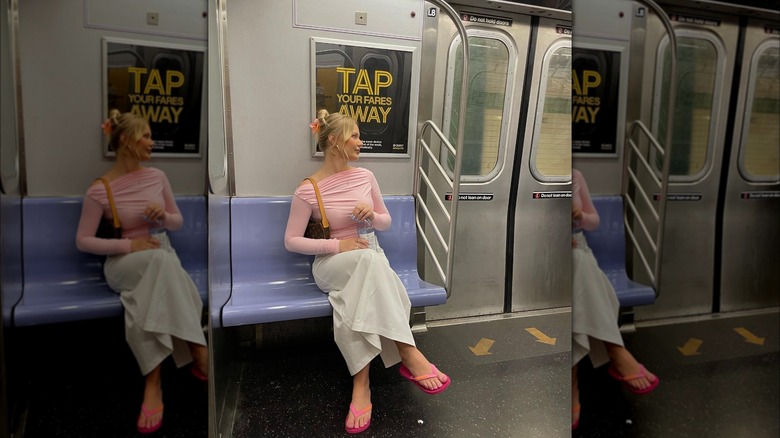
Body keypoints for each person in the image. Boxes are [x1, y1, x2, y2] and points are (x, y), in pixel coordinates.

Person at [284, 110, 451, 434]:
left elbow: (386, 221)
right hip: (332, 262)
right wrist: (337, 247)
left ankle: (361, 385)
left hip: (369, 255)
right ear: (333, 140)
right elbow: (291, 240)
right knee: (370, 263)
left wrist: (372, 216)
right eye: (355, 136)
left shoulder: (365, 177)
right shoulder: (308, 189)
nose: (361, 143)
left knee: (358, 289)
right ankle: (406, 349)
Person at [75, 110, 208, 434]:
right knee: (163, 265)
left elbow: (177, 222)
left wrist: (162, 215)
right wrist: (128, 247)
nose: (152, 142)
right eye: (145, 135)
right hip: (124, 261)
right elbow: (83, 240)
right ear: (125, 140)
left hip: (160, 252)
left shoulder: (157, 177)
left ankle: (153, 381)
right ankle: (198, 347)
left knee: (148, 291)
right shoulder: (100, 189)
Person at [571, 168, 659, 430]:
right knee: (581, 274)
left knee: (580, 273)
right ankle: (615, 350)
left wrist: (581, 216)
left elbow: (594, 221)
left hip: (579, 251)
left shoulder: (576, 176)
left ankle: (572, 384)